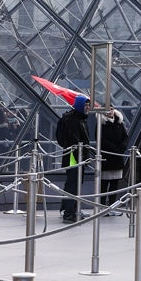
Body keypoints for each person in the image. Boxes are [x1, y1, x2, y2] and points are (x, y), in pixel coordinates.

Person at [55, 95, 91, 223]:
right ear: (80, 105)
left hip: (78, 156)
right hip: (73, 156)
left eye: (88, 105)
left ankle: (71, 208)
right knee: (73, 183)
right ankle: (69, 212)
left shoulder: (80, 118)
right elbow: (72, 139)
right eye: (86, 105)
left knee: (75, 183)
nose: (87, 107)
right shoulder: (73, 119)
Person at [98, 108, 129, 214]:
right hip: (107, 158)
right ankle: (101, 206)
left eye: (111, 109)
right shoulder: (101, 123)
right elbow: (101, 139)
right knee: (104, 183)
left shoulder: (119, 122)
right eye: (107, 109)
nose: (110, 111)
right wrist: (115, 149)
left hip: (117, 158)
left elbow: (125, 137)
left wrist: (121, 148)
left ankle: (112, 206)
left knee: (114, 184)